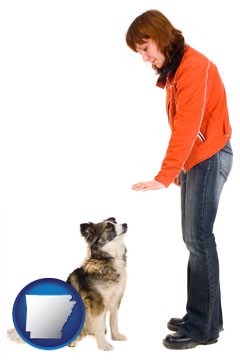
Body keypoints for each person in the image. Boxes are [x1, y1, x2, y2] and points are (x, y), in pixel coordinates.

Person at [126, 9, 233, 350]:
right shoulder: (175, 69)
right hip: (196, 161)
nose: (143, 58)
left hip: (210, 157)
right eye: (139, 53)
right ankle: (204, 316)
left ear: (160, 36)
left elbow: (188, 125)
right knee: (194, 241)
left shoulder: (194, 66)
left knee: (199, 240)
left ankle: (203, 329)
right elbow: (185, 127)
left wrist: (166, 173)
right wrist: (181, 167)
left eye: (145, 48)